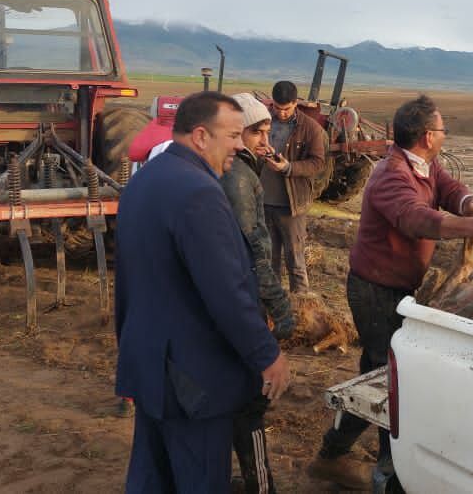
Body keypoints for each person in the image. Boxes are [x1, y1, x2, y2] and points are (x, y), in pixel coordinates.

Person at [306, 95, 473, 492]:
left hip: (396, 288)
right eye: (443, 129)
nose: (444, 134)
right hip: (375, 291)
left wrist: (472, 204)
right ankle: (389, 472)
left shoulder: (424, 165)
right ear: (428, 136)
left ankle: (331, 454)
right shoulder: (391, 175)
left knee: (375, 373)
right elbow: (415, 219)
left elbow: (450, 190)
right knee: (390, 381)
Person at [115, 91, 291, 492]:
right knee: (200, 478)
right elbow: (225, 289)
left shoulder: (145, 181)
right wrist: (266, 354)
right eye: (232, 135)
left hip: (148, 362)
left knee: (151, 473)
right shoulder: (199, 193)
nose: (238, 144)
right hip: (192, 377)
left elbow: (128, 280)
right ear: (200, 136)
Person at [221, 93, 298, 494]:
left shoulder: (244, 169)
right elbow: (252, 244)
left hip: (238, 293)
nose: (265, 138)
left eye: (268, 130)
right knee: (250, 401)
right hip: (244, 294)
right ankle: (261, 486)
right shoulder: (237, 177)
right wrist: (279, 303)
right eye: (257, 131)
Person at [260, 80, 328, 293]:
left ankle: (302, 311)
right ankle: (272, 311)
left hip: (291, 205)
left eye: (286, 109)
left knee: (296, 262)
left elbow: (317, 163)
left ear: (295, 103)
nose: (281, 113)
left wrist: (288, 167)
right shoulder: (263, 123)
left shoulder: (311, 129)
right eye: (277, 108)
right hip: (263, 202)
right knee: (268, 263)